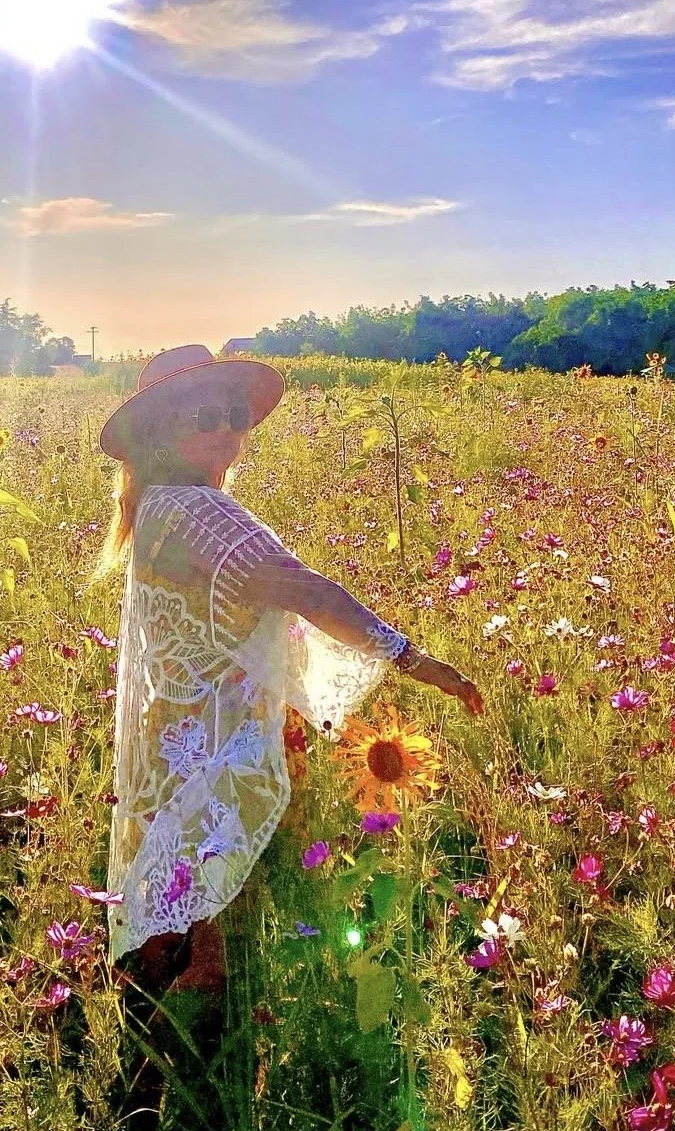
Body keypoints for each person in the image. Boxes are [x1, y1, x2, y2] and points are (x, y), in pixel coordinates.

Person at [92, 344, 482, 998]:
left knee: (186, 870)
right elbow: (306, 591)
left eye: (237, 414)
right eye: (206, 414)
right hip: (210, 726)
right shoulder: (197, 512)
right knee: (211, 865)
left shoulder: (159, 503)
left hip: (179, 720)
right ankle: (189, 1018)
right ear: (162, 429)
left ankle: (159, 1002)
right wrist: (410, 657)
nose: (226, 427)